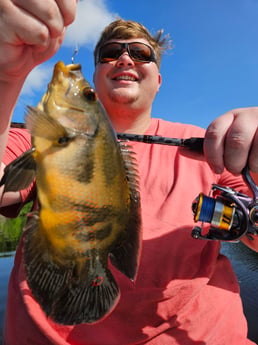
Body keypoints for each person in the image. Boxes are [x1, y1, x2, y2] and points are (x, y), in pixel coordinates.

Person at [0, 1, 258, 344]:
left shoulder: (213, 149)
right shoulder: (37, 140)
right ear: (95, 76)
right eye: (109, 53)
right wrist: (5, 78)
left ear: (159, 79)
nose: (124, 59)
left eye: (140, 52)